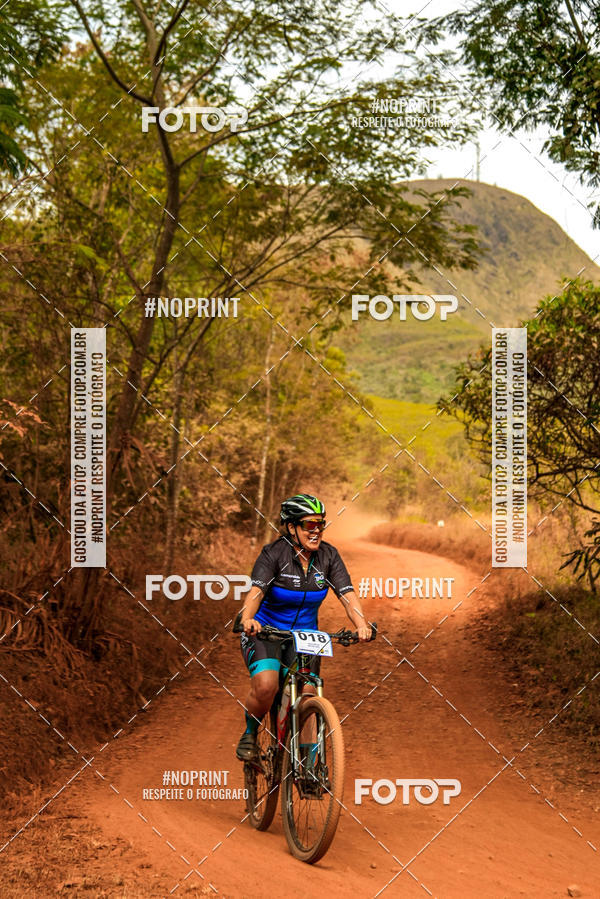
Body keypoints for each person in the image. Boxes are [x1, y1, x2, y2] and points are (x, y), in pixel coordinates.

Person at [236, 493, 371, 761]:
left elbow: (347, 595)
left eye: (321, 524)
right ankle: (250, 733)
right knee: (266, 686)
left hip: (305, 636)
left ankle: (308, 760)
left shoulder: (329, 556)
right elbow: (256, 592)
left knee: (309, 693)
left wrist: (361, 624)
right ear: (292, 527)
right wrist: (247, 619)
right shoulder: (274, 554)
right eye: (310, 525)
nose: (317, 531)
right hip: (267, 632)